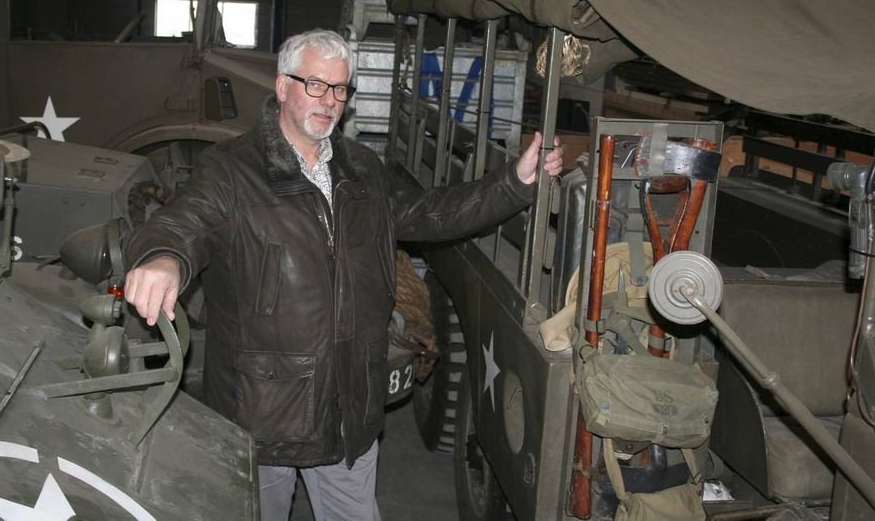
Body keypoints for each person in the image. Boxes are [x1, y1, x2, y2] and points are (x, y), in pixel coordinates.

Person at [124, 28, 563, 521]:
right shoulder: (231, 170)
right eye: (315, 84)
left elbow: (431, 213)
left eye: (340, 89)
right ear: (283, 86)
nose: (329, 100)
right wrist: (163, 257)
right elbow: (184, 222)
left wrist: (515, 182)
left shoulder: (362, 170)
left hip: (348, 410)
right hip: (264, 412)